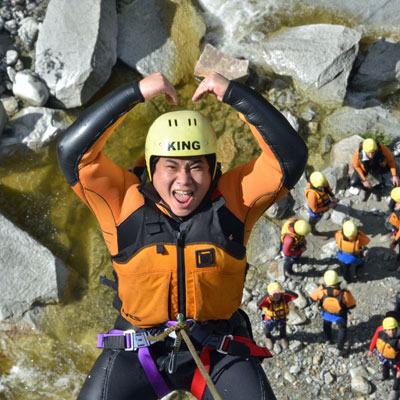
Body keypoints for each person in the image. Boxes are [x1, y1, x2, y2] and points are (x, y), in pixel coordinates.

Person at [57, 71, 308, 400]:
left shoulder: (235, 201)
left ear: (213, 170)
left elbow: (289, 158)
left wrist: (235, 94)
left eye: (196, 166)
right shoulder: (121, 201)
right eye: (171, 166)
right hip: (138, 352)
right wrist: (135, 93)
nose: (184, 182)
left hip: (217, 350)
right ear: (150, 169)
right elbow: (71, 151)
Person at [309, 270, 356, 355]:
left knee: (326, 325)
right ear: (337, 280)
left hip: (326, 314)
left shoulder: (321, 290)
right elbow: (352, 305)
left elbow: (311, 298)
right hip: (340, 317)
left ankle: (329, 339)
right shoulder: (344, 293)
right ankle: (340, 347)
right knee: (342, 329)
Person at [257, 282, 298, 350]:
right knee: (267, 330)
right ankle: (268, 338)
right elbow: (258, 304)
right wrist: (268, 293)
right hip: (270, 320)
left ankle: (282, 338)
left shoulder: (285, 298)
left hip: (282, 319)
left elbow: (296, 296)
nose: (275, 296)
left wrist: (285, 291)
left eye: (277, 294)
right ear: (269, 295)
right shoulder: (267, 301)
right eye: (273, 295)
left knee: (283, 330)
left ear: (281, 293)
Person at [368, 317, 400, 400]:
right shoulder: (380, 330)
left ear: (396, 328)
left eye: (393, 329)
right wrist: (370, 350)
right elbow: (374, 339)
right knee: (385, 366)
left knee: (397, 376)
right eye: (389, 330)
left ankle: (395, 390)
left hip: (396, 362)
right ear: (385, 329)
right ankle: (385, 376)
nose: (391, 332)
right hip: (384, 357)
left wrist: (399, 369)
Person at [305, 171, 338, 236]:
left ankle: (331, 206)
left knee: (331, 203)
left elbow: (328, 188)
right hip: (317, 211)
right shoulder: (311, 195)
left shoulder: (321, 181)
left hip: (325, 201)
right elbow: (314, 210)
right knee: (311, 223)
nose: (324, 185)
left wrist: (333, 196)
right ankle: (314, 233)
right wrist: (328, 207)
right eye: (322, 185)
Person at [388, 188, 400, 267]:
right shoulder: (394, 201)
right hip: (395, 224)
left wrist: (394, 242)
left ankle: (398, 261)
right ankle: (393, 232)